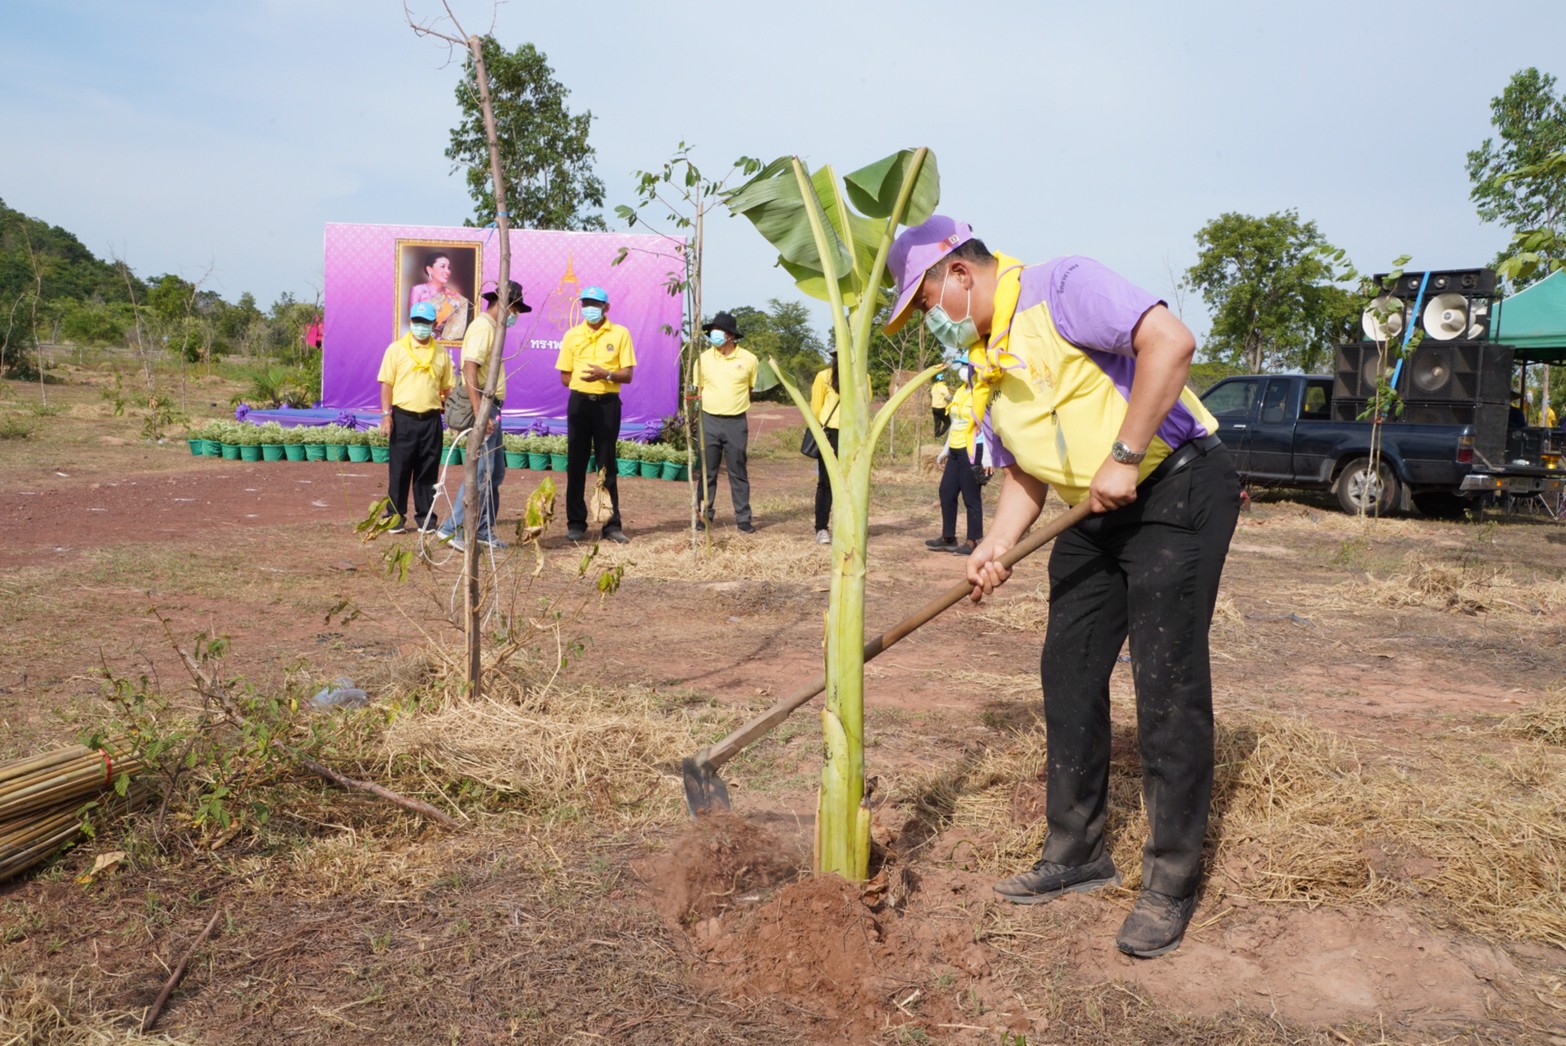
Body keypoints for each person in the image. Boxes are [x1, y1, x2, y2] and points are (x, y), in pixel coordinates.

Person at [886, 215, 1240, 959]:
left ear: (958, 272)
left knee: (1165, 681)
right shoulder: (989, 361)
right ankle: (1077, 852)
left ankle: (1170, 881)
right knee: (1069, 667)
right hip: (1091, 508)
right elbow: (1027, 469)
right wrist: (996, 545)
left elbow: (1170, 342)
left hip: (1173, 489)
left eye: (924, 302)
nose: (930, 320)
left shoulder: (1061, 288)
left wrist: (1125, 452)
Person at [438, 280, 532, 553]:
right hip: (484, 406)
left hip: (492, 406)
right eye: (514, 310)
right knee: (481, 471)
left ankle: (481, 529)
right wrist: (481, 412)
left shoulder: (492, 328)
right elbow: (469, 368)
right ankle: (451, 528)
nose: (515, 316)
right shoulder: (482, 327)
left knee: (495, 472)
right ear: (505, 305)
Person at [555, 286, 635, 543]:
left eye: (595, 304)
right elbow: (565, 375)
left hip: (607, 405)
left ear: (606, 307)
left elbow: (628, 374)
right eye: (585, 304)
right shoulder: (572, 335)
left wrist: (606, 375)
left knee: (606, 464)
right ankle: (576, 523)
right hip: (579, 403)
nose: (589, 308)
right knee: (576, 463)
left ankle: (611, 525)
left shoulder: (620, 333)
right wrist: (584, 385)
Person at [377, 300, 455, 534]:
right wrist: (386, 415)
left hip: (431, 419)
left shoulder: (441, 353)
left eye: (426, 323)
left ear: (434, 324)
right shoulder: (396, 349)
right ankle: (395, 517)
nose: (421, 326)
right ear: (411, 322)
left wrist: (452, 415)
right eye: (417, 322)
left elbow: (449, 388)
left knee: (428, 471)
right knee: (399, 470)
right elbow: (386, 384)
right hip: (403, 418)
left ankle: (426, 518)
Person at [695, 311, 759, 533]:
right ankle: (703, 516)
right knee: (707, 471)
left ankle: (743, 518)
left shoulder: (749, 359)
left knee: (737, 471)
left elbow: (749, 389)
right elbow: (699, 389)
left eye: (718, 332)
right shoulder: (702, 359)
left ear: (730, 335)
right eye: (711, 332)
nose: (713, 336)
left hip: (736, 422)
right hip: (708, 420)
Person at [925, 365, 987, 555]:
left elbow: (989, 426)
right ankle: (948, 537)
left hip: (973, 449)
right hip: (955, 449)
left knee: (971, 497)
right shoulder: (960, 391)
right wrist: (945, 450)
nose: (963, 370)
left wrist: (988, 457)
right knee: (946, 491)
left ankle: (973, 540)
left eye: (967, 366)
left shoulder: (981, 392)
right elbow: (954, 424)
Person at [809, 354, 843, 544]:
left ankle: (847, 526)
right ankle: (821, 528)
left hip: (852, 435)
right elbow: (815, 408)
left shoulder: (863, 377)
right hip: (831, 434)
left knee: (851, 484)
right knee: (826, 483)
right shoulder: (824, 377)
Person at [410, 251, 470, 341]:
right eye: (443, 266)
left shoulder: (453, 296)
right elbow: (413, 320)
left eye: (449, 268)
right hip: (421, 340)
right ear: (429, 269)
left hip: (444, 343)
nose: (447, 271)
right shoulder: (418, 290)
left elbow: (456, 328)